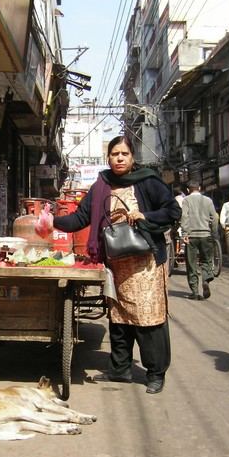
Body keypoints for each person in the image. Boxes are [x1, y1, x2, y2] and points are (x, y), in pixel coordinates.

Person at [51, 136, 181, 394]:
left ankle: (156, 373)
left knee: (148, 319)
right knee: (120, 318)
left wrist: (145, 215)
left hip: (146, 264)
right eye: (114, 154)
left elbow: (172, 211)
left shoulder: (148, 181)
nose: (119, 158)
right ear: (108, 158)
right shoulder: (102, 185)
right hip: (117, 264)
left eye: (124, 153)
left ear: (133, 157)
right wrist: (52, 222)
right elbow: (80, 217)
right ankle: (120, 369)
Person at [180, 182, 217, 300]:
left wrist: (184, 233)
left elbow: (184, 217)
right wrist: (213, 231)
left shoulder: (186, 200)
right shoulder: (208, 200)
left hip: (191, 236)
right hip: (205, 235)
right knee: (206, 260)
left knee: (191, 264)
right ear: (200, 188)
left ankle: (195, 292)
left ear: (187, 189)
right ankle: (206, 280)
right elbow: (215, 217)